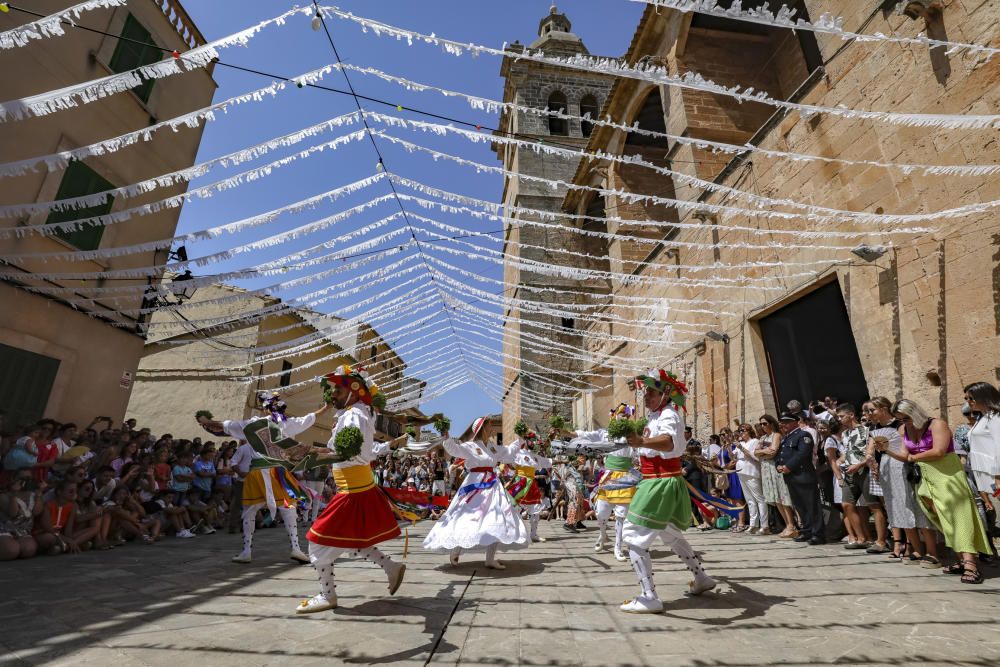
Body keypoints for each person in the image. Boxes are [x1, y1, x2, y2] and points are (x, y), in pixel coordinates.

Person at [299, 365, 406, 613]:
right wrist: (311, 452)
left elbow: (351, 453)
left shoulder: (353, 416)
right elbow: (356, 453)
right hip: (356, 488)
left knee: (316, 542)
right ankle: (391, 568)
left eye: (338, 388)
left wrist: (314, 453)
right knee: (353, 539)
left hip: (352, 491)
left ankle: (328, 595)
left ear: (354, 391)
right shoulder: (357, 414)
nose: (332, 393)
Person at [620, 369, 716, 614]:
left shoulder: (669, 415)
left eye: (652, 391)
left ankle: (648, 596)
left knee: (632, 536)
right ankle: (701, 578)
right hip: (661, 481)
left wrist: (642, 443)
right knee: (671, 534)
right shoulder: (656, 417)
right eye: (646, 391)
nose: (646, 395)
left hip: (659, 483)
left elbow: (669, 442)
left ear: (666, 395)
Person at [198, 392, 331, 565]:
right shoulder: (286, 424)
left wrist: (206, 422)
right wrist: (327, 408)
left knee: (250, 512)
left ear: (263, 407)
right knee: (287, 509)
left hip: (260, 472)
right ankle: (295, 548)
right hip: (277, 472)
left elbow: (225, 425)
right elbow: (309, 418)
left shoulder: (254, 424)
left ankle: (247, 551)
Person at [875, 399, 990, 584]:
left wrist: (913, 457)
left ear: (915, 413)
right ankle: (961, 559)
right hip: (925, 478)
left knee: (958, 517)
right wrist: (887, 450)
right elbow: (905, 456)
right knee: (942, 519)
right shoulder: (904, 429)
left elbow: (939, 451)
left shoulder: (937, 424)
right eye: (901, 419)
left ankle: (971, 565)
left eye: (907, 418)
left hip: (947, 475)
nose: (905, 422)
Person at [424, 416, 529, 569]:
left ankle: (490, 559)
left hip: (492, 485)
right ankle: (456, 548)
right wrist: (446, 437)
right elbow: (455, 449)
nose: (492, 429)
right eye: (490, 426)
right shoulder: (470, 446)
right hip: (475, 485)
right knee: (467, 517)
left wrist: (520, 439)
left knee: (497, 517)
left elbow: (507, 452)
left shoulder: (492, 447)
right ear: (482, 428)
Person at [864, 398, 936, 563]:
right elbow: (871, 447)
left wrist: (887, 450)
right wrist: (871, 459)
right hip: (886, 468)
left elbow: (906, 449)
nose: (869, 414)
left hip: (904, 467)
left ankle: (928, 550)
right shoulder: (875, 427)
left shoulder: (900, 424)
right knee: (898, 508)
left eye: (871, 410)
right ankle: (915, 549)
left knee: (917, 506)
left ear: (883, 409)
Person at [836, 403, 888, 553]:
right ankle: (861, 538)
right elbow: (849, 451)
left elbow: (870, 453)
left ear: (851, 415)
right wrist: (841, 460)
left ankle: (881, 541)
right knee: (847, 504)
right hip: (849, 472)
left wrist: (860, 465)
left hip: (864, 471)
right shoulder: (845, 434)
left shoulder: (866, 430)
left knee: (873, 505)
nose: (839, 419)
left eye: (841, 416)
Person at [776, 412, 825, 544]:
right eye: (782, 423)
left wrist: (789, 466)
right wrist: (778, 466)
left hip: (803, 476)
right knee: (800, 506)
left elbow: (803, 453)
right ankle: (806, 531)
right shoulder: (786, 438)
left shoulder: (803, 435)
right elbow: (781, 454)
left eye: (786, 422)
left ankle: (818, 534)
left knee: (811, 506)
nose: (783, 425)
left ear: (795, 422)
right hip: (791, 477)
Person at [505, 431, 553, 545]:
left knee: (536, 509)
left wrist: (565, 461)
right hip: (521, 483)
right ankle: (512, 534)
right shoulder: (518, 453)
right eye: (530, 440)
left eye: (534, 440)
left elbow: (547, 462)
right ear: (525, 440)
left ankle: (533, 534)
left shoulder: (534, 456)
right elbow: (508, 462)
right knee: (514, 508)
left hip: (532, 484)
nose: (533, 442)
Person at [965, 382, 1000, 534]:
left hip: (995, 474)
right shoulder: (983, 417)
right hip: (988, 474)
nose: (968, 402)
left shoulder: (995, 417)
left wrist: (998, 476)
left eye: (971, 398)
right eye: (966, 398)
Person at [757, 414, 797, 537]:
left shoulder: (776, 435)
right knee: (775, 499)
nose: (763, 426)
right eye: (761, 424)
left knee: (782, 497)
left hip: (775, 468)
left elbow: (773, 452)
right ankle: (787, 525)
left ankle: (792, 525)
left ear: (771, 423)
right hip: (766, 469)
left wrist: (762, 452)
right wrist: (764, 452)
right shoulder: (763, 437)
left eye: (765, 423)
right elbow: (756, 452)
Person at [0, 469, 43, 560]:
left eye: (28, 478)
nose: (25, 481)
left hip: (22, 531)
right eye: (22, 478)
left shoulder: (33, 495)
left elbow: (36, 512)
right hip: (4, 530)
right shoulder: (4, 496)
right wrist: (14, 494)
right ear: (14, 479)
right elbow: (13, 513)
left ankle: (11, 546)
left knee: (29, 550)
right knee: (11, 551)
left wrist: (39, 494)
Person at [734, 424, 766, 534]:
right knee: (750, 500)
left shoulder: (755, 441)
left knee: (759, 499)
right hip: (741, 472)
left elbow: (755, 457)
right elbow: (734, 457)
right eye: (739, 431)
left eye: (743, 430)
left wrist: (741, 448)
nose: (741, 432)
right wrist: (730, 447)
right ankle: (753, 524)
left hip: (751, 472)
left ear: (749, 431)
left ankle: (764, 525)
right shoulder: (741, 443)